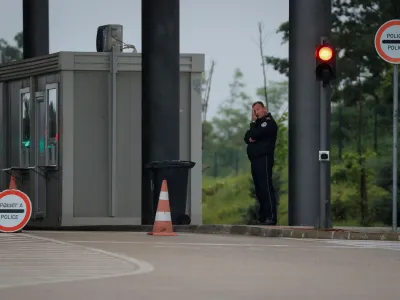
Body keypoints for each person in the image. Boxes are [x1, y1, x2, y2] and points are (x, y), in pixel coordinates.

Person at [244, 101, 278, 225]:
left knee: (266, 187)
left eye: (257, 110)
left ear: (264, 109)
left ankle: (271, 216)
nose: (255, 113)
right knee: (259, 188)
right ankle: (263, 216)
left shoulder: (268, 123)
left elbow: (255, 134)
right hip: (255, 159)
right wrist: (253, 126)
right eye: (254, 110)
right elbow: (247, 137)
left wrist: (253, 134)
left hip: (264, 158)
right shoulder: (257, 124)